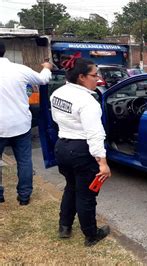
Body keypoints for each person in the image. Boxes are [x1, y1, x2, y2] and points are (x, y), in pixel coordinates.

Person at [50, 56, 112, 246]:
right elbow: (94, 135)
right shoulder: (88, 102)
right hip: (81, 150)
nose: (98, 78)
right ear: (82, 77)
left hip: (62, 147)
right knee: (86, 195)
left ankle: (64, 226)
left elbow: (56, 119)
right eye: (95, 75)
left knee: (71, 187)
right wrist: (103, 163)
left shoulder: (57, 94)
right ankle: (91, 235)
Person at [0, 41, 52, 205]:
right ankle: (24, 197)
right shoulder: (19, 69)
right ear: (4, 51)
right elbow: (43, 80)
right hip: (20, 125)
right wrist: (46, 67)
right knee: (24, 161)